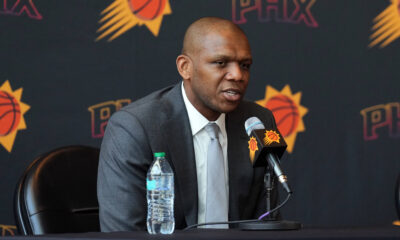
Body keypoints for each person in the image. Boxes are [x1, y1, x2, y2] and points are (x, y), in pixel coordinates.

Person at [97, 17, 279, 232]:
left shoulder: (259, 122)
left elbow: (266, 222)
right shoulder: (134, 128)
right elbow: (124, 234)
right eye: (221, 63)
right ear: (185, 68)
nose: (237, 75)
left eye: (245, 65)